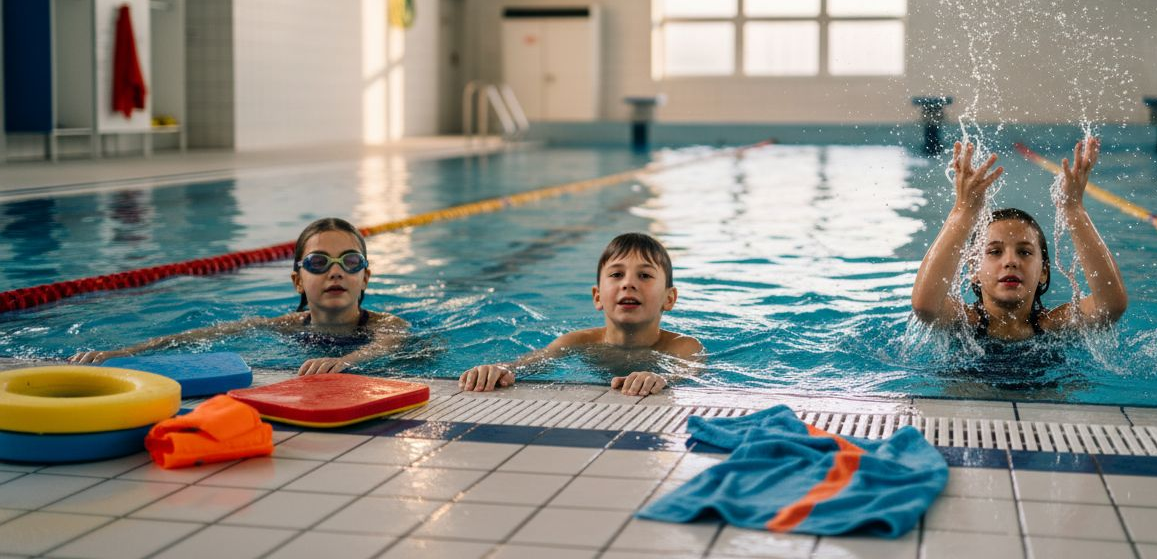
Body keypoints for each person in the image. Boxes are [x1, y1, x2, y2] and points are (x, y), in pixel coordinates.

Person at [71, 217, 409, 375]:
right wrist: (125, 351)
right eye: (318, 262)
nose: (336, 272)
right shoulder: (287, 326)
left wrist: (347, 362)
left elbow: (384, 348)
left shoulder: (387, 325)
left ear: (365, 277)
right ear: (297, 281)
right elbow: (202, 335)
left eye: (350, 262)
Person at [911, 138, 1127, 340]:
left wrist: (1073, 209)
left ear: (1043, 271)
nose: (1011, 261)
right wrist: (963, 211)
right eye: (995, 252)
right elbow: (925, 306)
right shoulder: (964, 323)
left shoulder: (1054, 325)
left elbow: (1110, 307)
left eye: (1024, 252)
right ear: (974, 270)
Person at [460, 232, 703, 395]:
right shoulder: (577, 342)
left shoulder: (683, 347)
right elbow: (524, 366)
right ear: (597, 297)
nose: (628, 284)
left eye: (645, 275)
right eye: (616, 275)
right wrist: (496, 370)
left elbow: (687, 373)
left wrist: (662, 379)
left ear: (669, 298)